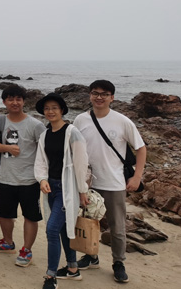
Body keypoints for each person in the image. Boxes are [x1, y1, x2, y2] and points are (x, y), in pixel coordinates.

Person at [73, 80, 147, 284]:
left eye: (104, 94)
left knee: (117, 227)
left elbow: (141, 148)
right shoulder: (80, 120)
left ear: (112, 97)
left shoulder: (122, 121)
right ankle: (91, 256)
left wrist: (137, 177)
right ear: (90, 95)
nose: (99, 97)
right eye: (95, 93)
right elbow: (73, 148)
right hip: (88, 183)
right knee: (88, 222)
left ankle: (118, 262)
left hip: (114, 183)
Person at [34, 93, 89, 289]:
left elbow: (81, 164)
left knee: (51, 230)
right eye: (47, 108)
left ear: (62, 110)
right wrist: (42, 179)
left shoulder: (72, 132)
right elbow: (40, 161)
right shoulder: (45, 135)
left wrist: (82, 190)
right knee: (64, 228)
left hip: (67, 189)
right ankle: (73, 268)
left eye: (54, 108)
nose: (50, 111)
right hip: (51, 188)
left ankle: (50, 276)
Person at [0, 84, 46, 267]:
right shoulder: (0, 122)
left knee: (30, 217)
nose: (15, 102)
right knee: (5, 214)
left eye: (18, 99)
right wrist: (7, 148)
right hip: (5, 177)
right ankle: (8, 242)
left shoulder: (36, 125)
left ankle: (26, 250)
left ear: (24, 101)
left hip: (29, 180)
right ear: (4, 102)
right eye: (10, 99)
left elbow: (45, 150)